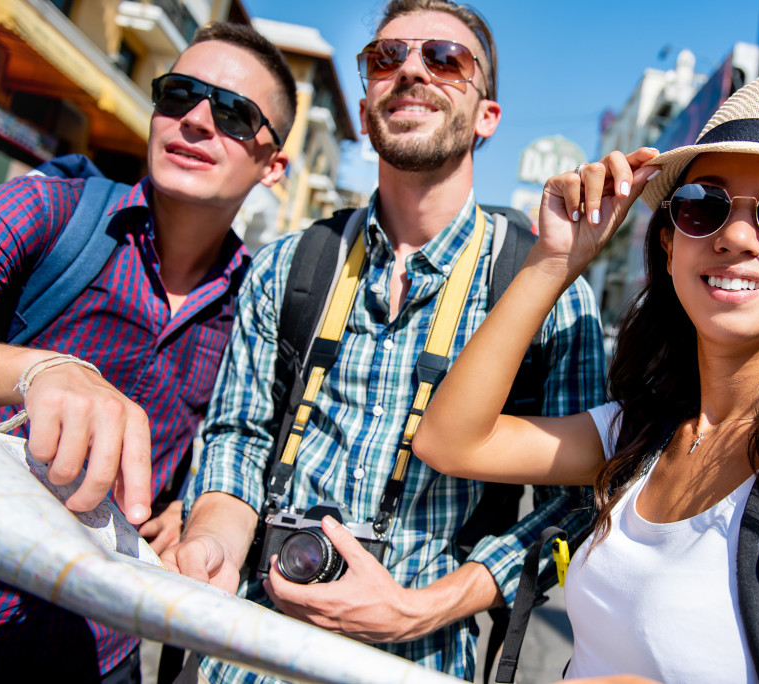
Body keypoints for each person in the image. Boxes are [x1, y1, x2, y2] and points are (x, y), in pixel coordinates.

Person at [414, 71, 759, 683]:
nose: (734, 236)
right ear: (670, 244)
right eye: (704, 205)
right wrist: (555, 259)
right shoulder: (639, 432)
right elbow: (450, 440)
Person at [159, 1, 606, 681]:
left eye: (447, 59)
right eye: (385, 59)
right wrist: (214, 537)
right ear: (367, 107)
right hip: (246, 653)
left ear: (487, 116)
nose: (412, 71)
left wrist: (424, 606)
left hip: (423, 663)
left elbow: (578, 499)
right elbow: (238, 434)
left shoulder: (545, 287)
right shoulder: (288, 264)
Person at [0, 22, 294, 683]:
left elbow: (237, 443)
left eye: (235, 113)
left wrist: (190, 501)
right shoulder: (47, 210)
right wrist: (36, 368)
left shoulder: (259, 309)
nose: (195, 120)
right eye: (179, 94)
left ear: (274, 166)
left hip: (101, 654)